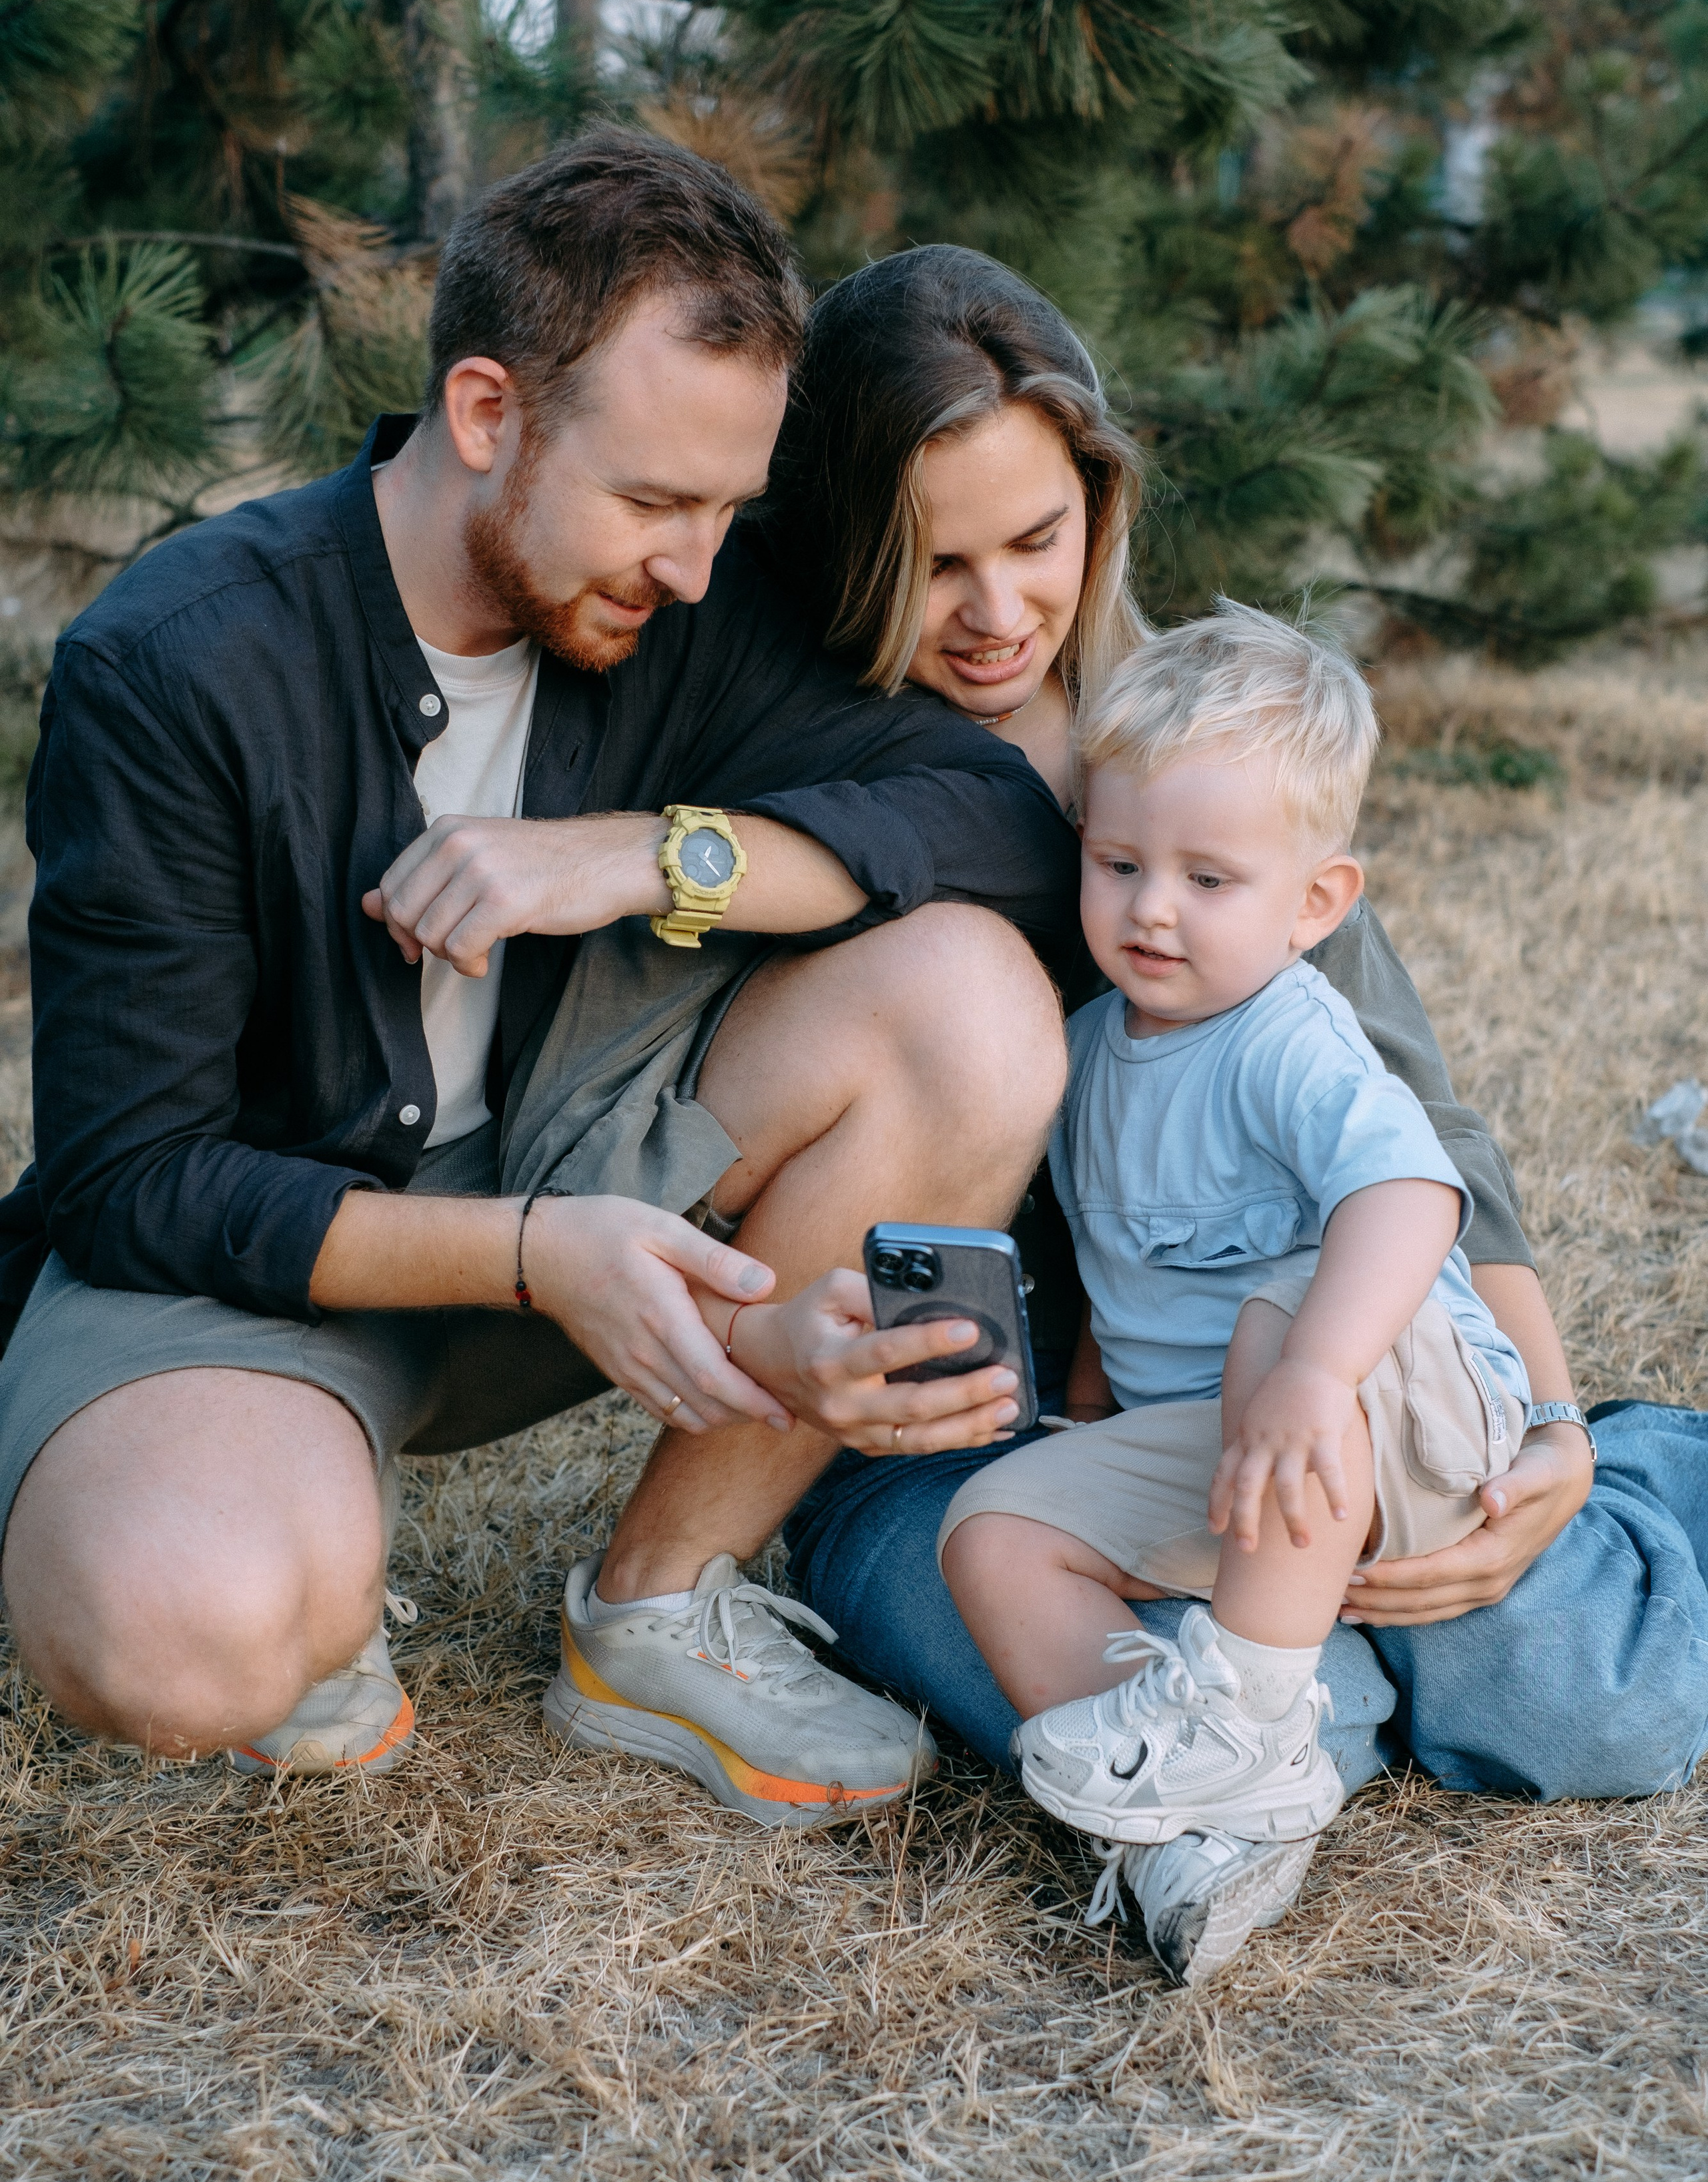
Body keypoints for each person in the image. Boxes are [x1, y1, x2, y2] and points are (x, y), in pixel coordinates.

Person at [0, 133, 1080, 1820]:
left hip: (592, 1185)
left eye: (725, 509)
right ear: (486, 412)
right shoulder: (178, 662)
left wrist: (650, 854)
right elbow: (130, 1178)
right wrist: (532, 1254)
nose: (696, 566)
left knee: (971, 1003)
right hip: (252, 1267)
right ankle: (276, 1530)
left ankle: (654, 1611)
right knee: (188, 1638)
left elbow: (997, 820)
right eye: (652, 503)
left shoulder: (687, 603)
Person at [767, 245, 1708, 1980]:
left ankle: (1656, 1475)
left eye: (1035, 541)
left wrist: (1556, 1431)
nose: (994, 610)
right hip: (982, 1439)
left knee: (1572, 1698)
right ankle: (1265, 1737)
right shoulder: (779, 778)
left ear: (1100, 509)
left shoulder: (1200, 751)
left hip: (1302, 1377)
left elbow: (1424, 1152)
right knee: (1141, 1669)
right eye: (933, 560)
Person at [941, 607, 1540, 1971]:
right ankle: (1187, 1817)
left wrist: (1316, 1373)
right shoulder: (1086, 1051)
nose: (1151, 907)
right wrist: (1086, 1414)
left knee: (1285, 1300)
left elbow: (1410, 1194)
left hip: (1399, 1427)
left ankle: (1253, 1712)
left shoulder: (1288, 1037)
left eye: (1208, 879)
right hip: (1234, 1464)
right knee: (992, 1530)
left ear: (1314, 904)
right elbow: (1117, 1267)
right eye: (1118, 864)